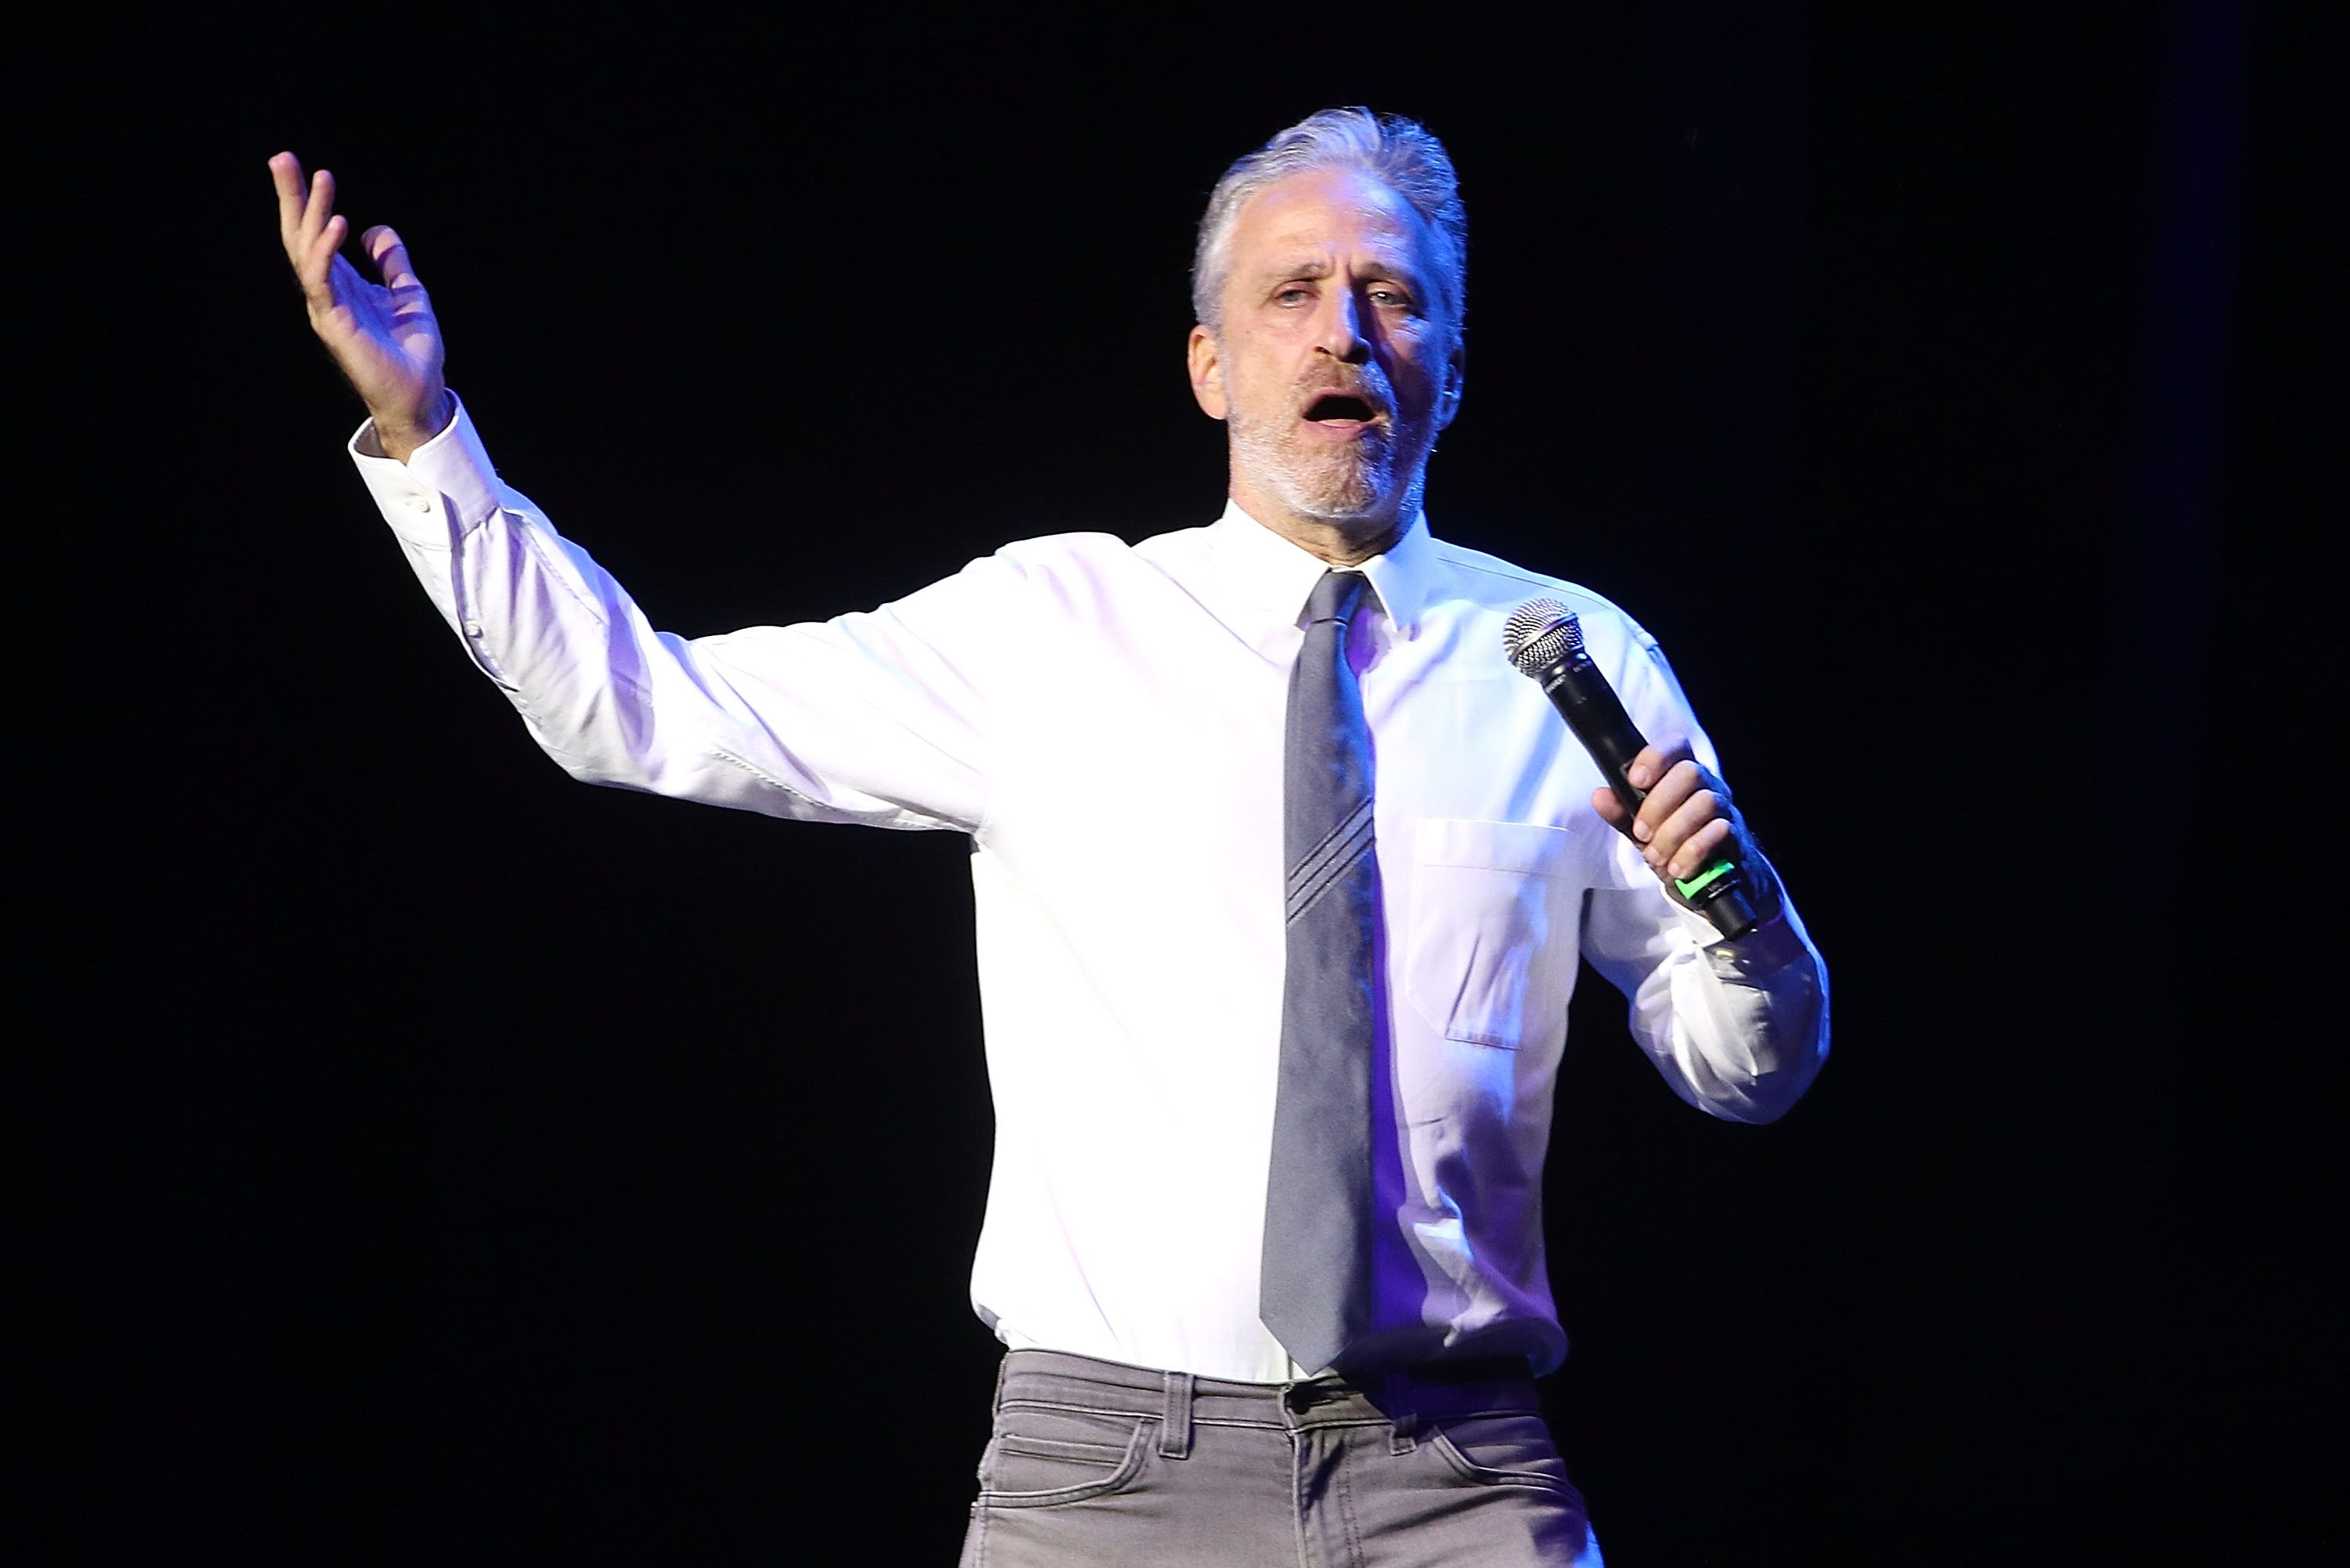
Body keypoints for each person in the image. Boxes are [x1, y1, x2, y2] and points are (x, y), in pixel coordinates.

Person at [269, 107, 1827, 1567]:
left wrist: (1740, 911)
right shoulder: (1052, 630)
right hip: (1109, 1473)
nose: (1345, 329)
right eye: (1294, 292)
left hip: (1460, 1468)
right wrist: (428, 434)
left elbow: (1746, 1067)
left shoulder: (1573, 659)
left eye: (1391, 296)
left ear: (1452, 368)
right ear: (1212, 365)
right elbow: (644, 708)